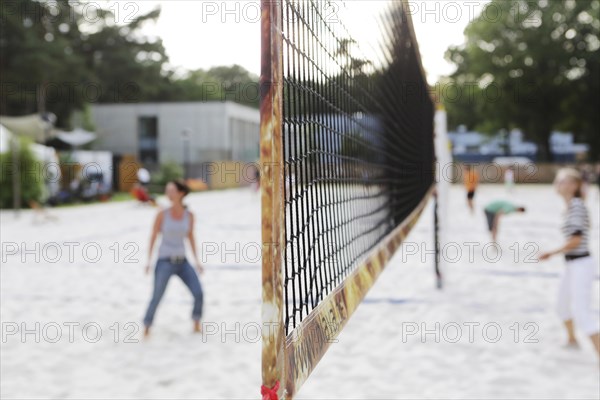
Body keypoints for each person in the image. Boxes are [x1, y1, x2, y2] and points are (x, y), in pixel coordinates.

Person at [538, 168, 599, 357]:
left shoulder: (577, 206)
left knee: (583, 313)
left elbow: (576, 240)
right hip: (572, 264)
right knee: (562, 306)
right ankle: (572, 340)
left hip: (581, 263)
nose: (558, 184)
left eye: (562, 181)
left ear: (574, 185)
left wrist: (551, 252)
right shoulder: (570, 207)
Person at [143, 180, 204, 337]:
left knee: (198, 293)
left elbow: (191, 237)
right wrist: (149, 261)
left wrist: (197, 261)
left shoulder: (189, 215)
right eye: (167, 190)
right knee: (157, 296)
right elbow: (153, 236)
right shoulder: (162, 214)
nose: (168, 194)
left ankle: (196, 322)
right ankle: (146, 327)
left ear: (181, 193)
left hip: (182, 261)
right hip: (164, 261)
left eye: (171, 191)